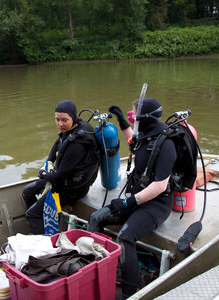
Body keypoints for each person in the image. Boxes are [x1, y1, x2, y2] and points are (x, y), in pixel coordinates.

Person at [87, 98, 177, 299]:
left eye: (134, 113)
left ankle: (129, 293)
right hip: (137, 198)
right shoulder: (146, 135)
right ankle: (94, 271)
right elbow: (133, 142)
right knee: (96, 217)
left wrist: (129, 202)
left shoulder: (167, 143)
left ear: (145, 117)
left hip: (156, 204)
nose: (131, 116)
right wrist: (121, 121)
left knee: (125, 237)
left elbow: (161, 185)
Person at [23, 100, 100, 234]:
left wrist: (42, 174)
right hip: (63, 181)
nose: (60, 124)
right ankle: (41, 224)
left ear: (74, 117)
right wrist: (49, 162)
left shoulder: (78, 145)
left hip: (71, 190)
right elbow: (58, 142)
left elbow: (59, 176)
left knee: (32, 215)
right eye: (57, 119)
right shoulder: (72, 130)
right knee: (27, 192)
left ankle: (43, 245)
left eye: (64, 120)